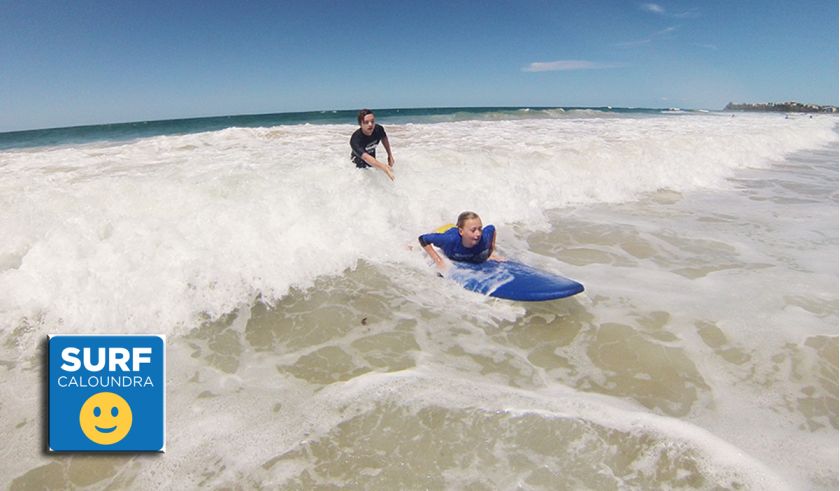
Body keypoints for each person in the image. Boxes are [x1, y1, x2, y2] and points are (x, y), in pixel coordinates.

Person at [418, 211, 503, 269]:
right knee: (416, 246)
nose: (478, 234)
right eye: (473, 230)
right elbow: (423, 239)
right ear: (461, 231)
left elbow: (492, 228)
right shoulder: (449, 240)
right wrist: (438, 260)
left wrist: (491, 251)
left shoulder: (484, 238)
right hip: (444, 230)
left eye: (480, 229)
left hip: (458, 229)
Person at [350, 109, 395, 181]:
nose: (370, 124)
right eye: (366, 122)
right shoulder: (355, 140)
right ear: (360, 124)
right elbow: (366, 158)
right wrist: (385, 168)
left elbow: (384, 138)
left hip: (372, 159)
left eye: (372, 121)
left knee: (375, 178)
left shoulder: (378, 129)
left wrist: (389, 155)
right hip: (358, 165)